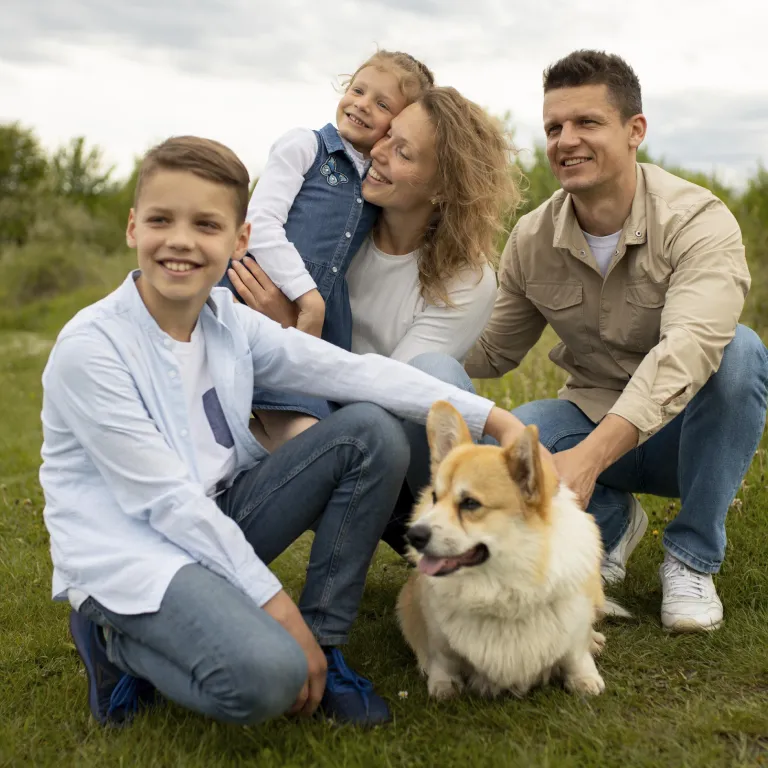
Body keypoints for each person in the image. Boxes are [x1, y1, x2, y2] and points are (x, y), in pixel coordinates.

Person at [39, 135, 547, 729]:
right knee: (269, 679)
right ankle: (110, 638)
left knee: (371, 432)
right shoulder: (92, 350)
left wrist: (494, 418)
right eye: (161, 220)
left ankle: (327, 645)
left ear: (239, 241)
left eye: (206, 225)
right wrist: (278, 611)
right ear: (133, 228)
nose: (180, 241)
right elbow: (167, 506)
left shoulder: (228, 322)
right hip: (135, 547)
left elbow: (353, 371)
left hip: (222, 514)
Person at [459, 50, 768, 633]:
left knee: (740, 352)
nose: (565, 140)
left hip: (688, 438)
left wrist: (590, 458)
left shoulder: (698, 220)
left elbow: (689, 351)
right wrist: (396, 324)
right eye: (554, 127)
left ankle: (691, 557)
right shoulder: (531, 237)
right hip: (592, 418)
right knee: (524, 432)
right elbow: (491, 352)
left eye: (586, 123)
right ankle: (609, 521)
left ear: (635, 131)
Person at [228, 86, 517, 516]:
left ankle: (463, 526)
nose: (378, 152)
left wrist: (291, 333)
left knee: (436, 375)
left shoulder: (468, 279)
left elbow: (392, 401)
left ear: (441, 187)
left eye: (404, 152)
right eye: (387, 136)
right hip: (307, 419)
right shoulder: (338, 233)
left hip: (397, 469)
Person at [219, 50, 435, 449]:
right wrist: (309, 300)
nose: (362, 105)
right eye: (358, 89)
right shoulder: (305, 146)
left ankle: (240, 466)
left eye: (382, 104)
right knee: (307, 440)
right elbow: (260, 225)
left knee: (306, 436)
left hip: (322, 330)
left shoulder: (375, 181)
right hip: (257, 295)